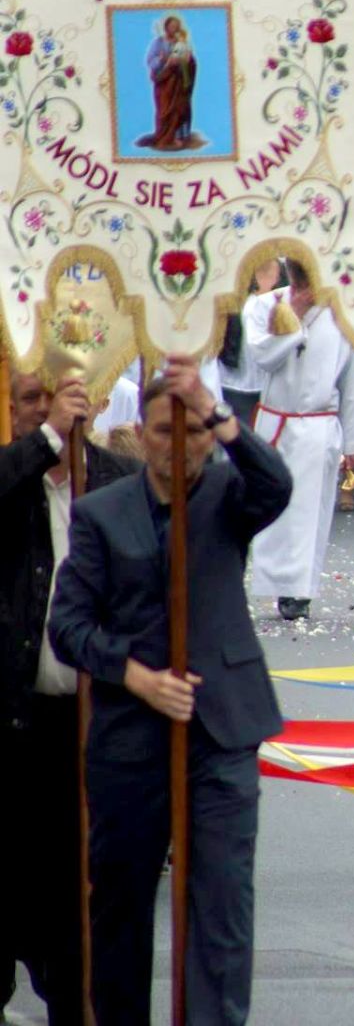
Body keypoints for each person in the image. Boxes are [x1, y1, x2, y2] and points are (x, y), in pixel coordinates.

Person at [48, 356, 292, 1026]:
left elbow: (276, 486)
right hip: (131, 737)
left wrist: (215, 411)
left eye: (190, 434)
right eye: (162, 432)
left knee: (221, 904)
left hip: (221, 730)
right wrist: (137, 677)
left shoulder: (226, 497)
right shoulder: (102, 514)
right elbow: (68, 626)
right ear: (143, 431)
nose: (176, 447)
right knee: (121, 905)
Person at [1, 370, 139, 1024]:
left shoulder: (115, 481)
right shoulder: (10, 480)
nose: (47, 410)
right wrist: (49, 439)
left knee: (76, 908)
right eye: (32, 400)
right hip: (12, 727)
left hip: (87, 731)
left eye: (59, 398)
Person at [244, 260, 354, 622]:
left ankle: (299, 591)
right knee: (274, 506)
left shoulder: (343, 312)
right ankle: (274, 580)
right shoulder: (264, 305)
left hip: (318, 422)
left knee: (309, 510)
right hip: (276, 420)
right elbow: (262, 357)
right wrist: (294, 318)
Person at [136, 15, 197, 152]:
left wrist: (187, 60)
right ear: (166, 27)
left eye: (176, 26)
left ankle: (177, 136)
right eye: (172, 26)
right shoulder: (158, 42)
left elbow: (189, 59)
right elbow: (150, 61)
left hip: (178, 82)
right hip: (164, 82)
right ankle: (165, 136)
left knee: (178, 108)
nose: (174, 28)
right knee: (165, 110)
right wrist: (162, 59)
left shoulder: (181, 42)